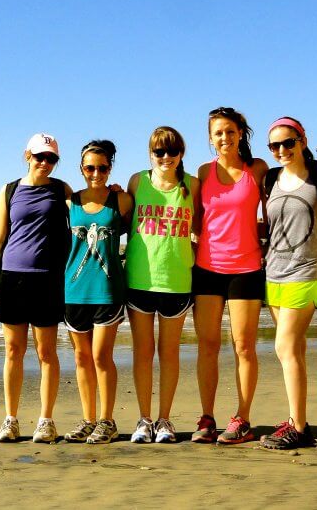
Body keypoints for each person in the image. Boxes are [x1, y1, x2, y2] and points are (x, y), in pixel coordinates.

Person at [191, 107, 268, 444]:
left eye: (230, 131)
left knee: (244, 348)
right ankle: (207, 418)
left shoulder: (258, 169)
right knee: (207, 346)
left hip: (247, 269)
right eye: (218, 133)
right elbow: (194, 219)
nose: (225, 137)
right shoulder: (202, 172)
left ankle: (243, 419)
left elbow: (278, 203)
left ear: (241, 134)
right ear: (210, 138)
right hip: (207, 268)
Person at [258, 117, 317, 450]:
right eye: (274, 146)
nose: (282, 150)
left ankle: (299, 427)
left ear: (303, 140)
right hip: (274, 273)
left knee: (285, 347)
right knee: (296, 350)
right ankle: (296, 417)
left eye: (288, 142)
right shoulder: (271, 179)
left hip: (308, 270)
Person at [0, 133, 72, 443]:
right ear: (27, 155)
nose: (44, 163)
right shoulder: (9, 190)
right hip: (13, 277)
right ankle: (10, 420)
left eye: (51, 158)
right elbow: (0, 238)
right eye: (40, 156)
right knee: (13, 351)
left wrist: (113, 193)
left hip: (49, 279)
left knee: (46, 353)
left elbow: (87, 208)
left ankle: (46, 420)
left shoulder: (60, 189)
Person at [123, 127, 199, 444]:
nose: (165, 157)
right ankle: (144, 419)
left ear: (181, 153)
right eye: (159, 152)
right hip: (140, 280)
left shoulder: (193, 185)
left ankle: (165, 420)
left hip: (178, 281)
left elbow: (206, 227)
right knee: (143, 353)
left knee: (169, 354)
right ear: (150, 154)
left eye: (172, 151)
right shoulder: (137, 182)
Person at [61, 140, 133, 445]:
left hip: (108, 290)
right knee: (81, 358)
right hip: (74, 290)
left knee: (102, 356)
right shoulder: (70, 202)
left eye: (102, 168)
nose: (96, 173)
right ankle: (88, 419)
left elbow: (139, 234)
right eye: (90, 167)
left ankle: (107, 420)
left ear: (110, 168)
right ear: (81, 168)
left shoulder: (123, 200)